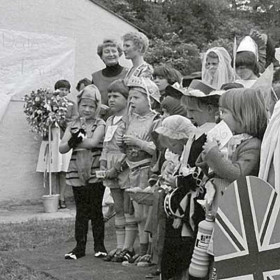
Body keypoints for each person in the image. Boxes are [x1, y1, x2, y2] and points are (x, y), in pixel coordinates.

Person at [196, 87, 267, 221]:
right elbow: (211, 171)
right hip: (217, 201)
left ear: (243, 115)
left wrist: (213, 154)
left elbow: (238, 174)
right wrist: (206, 153)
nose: (220, 116)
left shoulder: (252, 145)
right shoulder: (230, 139)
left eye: (224, 112)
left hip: (235, 206)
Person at [114, 77, 160, 265]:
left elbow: (158, 149)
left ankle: (150, 251)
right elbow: (125, 148)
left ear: (149, 99)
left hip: (147, 170)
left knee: (147, 214)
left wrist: (138, 142)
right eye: (130, 97)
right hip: (132, 171)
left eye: (136, 97)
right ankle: (141, 250)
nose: (131, 101)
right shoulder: (131, 119)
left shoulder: (156, 120)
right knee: (137, 214)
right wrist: (123, 142)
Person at [60, 85, 107, 260]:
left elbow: (93, 143)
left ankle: (100, 246)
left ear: (97, 108)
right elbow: (62, 147)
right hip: (75, 171)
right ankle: (79, 247)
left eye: (91, 106)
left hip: (95, 172)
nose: (87, 110)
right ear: (78, 105)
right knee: (81, 211)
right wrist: (74, 139)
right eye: (84, 106)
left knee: (95, 210)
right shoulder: (72, 124)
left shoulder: (100, 123)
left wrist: (76, 140)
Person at [99, 79, 130, 261]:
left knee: (127, 208)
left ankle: (128, 246)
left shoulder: (128, 119)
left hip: (124, 166)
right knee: (117, 208)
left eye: (116, 96)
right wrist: (103, 163)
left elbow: (130, 150)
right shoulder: (110, 119)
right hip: (109, 166)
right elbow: (105, 145)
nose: (111, 99)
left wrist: (118, 167)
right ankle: (119, 246)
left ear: (126, 98)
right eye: (109, 96)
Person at [36, 79, 78, 209]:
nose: (63, 92)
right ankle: (53, 195)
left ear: (69, 91)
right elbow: (42, 118)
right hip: (51, 138)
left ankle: (62, 197)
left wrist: (63, 121)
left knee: (63, 170)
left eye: (66, 90)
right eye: (61, 89)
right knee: (52, 169)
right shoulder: (48, 103)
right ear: (56, 90)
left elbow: (74, 119)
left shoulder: (71, 104)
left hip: (63, 137)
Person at [92, 39, 128, 106]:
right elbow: (92, 101)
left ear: (119, 54)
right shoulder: (95, 77)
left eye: (114, 51)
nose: (111, 54)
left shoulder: (128, 74)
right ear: (101, 56)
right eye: (107, 52)